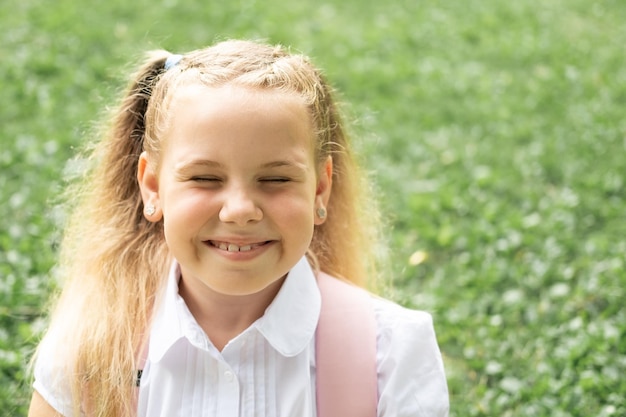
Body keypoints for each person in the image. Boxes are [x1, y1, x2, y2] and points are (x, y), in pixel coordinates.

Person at [28, 39, 449, 417]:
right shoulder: (87, 348)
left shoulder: (391, 353)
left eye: (276, 179)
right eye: (205, 179)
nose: (240, 210)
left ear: (320, 189)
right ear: (152, 187)